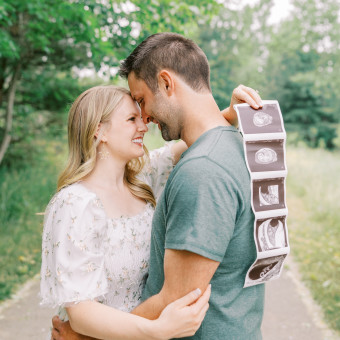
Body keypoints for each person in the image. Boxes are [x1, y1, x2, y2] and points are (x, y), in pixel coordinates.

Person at [50, 33, 264, 340]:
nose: (144, 120)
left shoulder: (195, 171)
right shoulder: (222, 151)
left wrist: (86, 338)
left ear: (166, 83)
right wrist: (227, 117)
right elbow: (196, 140)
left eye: (141, 101)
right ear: (100, 131)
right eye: (132, 114)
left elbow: (176, 296)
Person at [40, 85, 211, 340]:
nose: (144, 126)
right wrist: (157, 330)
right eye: (132, 119)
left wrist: (234, 111)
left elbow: (199, 136)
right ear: (99, 129)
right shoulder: (75, 204)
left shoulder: (140, 180)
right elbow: (81, 312)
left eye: (141, 118)